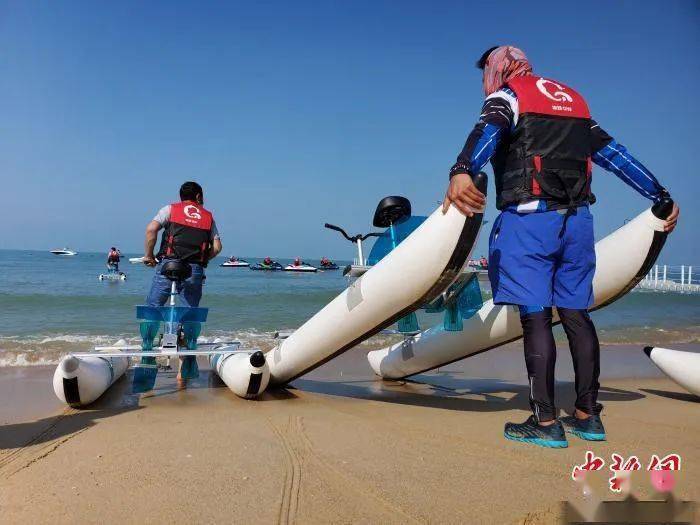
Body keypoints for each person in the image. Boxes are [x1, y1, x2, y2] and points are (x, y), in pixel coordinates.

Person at [442, 45, 679, 448]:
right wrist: (659, 195)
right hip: (578, 225)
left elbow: (490, 131)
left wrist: (463, 170)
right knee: (576, 315)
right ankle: (588, 416)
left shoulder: (510, 95)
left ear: (496, 68)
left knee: (536, 318)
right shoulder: (574, 101)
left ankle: (546, 422)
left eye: (485, 70)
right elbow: (616, 156)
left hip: (530, 222)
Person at [143, 181, 222, 379]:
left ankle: (147, 355)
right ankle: (186, 366)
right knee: (190, 313)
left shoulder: (170, 209)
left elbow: (151, 230)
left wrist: (149, 256)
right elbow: (217, 247)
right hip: (193, 269)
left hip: (168, 265)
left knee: (153, 308)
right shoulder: (208, 217)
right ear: (198, 196)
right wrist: (202, 260)